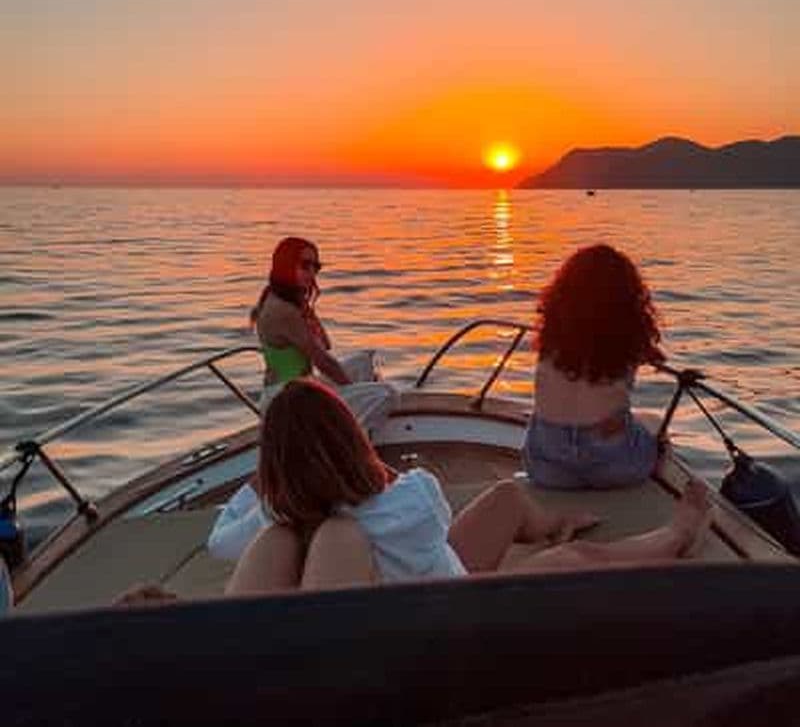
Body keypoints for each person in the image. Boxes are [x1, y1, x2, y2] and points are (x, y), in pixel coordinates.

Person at [220, 379, 711, 596]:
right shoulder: (412, 498)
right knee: (569, 563)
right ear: (353, 441)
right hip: (448, 598)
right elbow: (413, 511)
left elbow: (221, 542)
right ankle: (674, 537)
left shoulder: (274, 529)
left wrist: (264, 492)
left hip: (421, 578)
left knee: (505, 500)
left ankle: (555, 524)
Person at [522, 244, 665, 489]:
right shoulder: (627, 339)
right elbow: (649, 356)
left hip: (546, 468)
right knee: (655, 424)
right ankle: (656, 488)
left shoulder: (551, 336)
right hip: (613, 468)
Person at [250, 236, 395, 431]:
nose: (311, 273)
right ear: (285, 265)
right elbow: (323, 360)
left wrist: (308, 310)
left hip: (301, 388)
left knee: (365, 361)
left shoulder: (285, 299)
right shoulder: (282, 310)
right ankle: (349, 443)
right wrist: (350, 390)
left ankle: (351, 431)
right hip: (286, 402)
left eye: (315, 267)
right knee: (386, 393)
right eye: (304, 265)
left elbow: (326, 344)